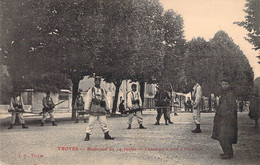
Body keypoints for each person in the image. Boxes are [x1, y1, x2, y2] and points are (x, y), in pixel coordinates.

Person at [212, 78, 237, 159]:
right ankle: (227, 152)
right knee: (221, 136)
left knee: (225, 136)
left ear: (229, 85)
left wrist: (227, 116)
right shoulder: (224, 93)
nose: (224, 86)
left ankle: (228, 153)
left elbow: (232, 108)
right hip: (221, 118)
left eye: (226, 84)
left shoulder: (230, 94)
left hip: (227, 119)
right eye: (222, 84)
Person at [84, 76, 114, 141]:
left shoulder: (103, 90)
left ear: (100, 82)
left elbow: (105, 99)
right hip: (94, 108)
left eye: (99, 81)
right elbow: (88, 99)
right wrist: (87, 108)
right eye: (96, 81)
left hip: (101, 108)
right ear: (94, 82)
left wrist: (107, 108)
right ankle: (87, 135)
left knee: (104, 122)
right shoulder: (91, 90)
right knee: (91, 122)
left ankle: (106, 134)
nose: (98, 82)